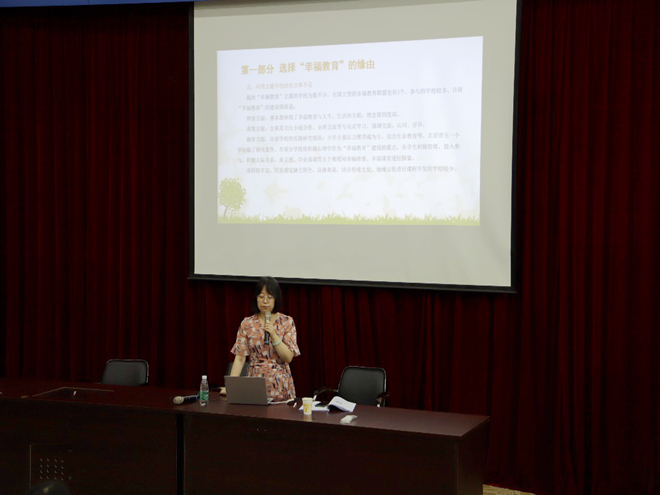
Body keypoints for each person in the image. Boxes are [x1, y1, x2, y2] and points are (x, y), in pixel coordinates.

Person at [225, 276, 300, 401]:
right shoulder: (247, 323)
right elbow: (240, 358)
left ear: (276, 299)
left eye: (269, 297)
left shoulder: (287, 322)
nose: (265, 301)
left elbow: (288, 357)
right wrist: (230, 386)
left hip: (280, 384)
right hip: (255, 383)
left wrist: (273, 334)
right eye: (261, 297)